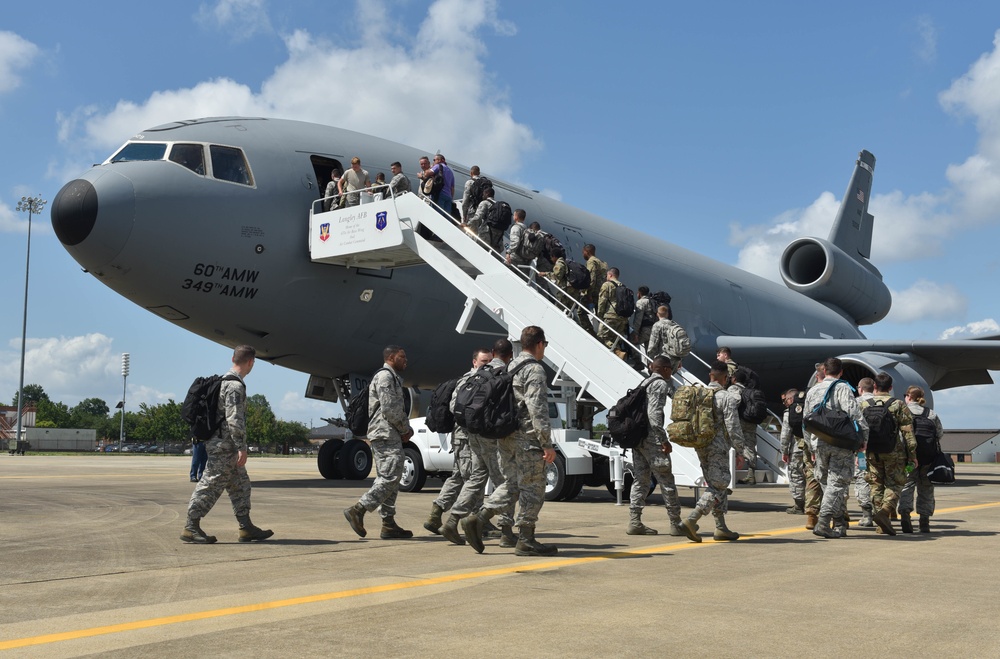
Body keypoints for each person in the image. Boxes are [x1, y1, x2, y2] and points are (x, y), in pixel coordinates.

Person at [462, 326, 558, 557]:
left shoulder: (511, 366)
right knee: (534, 488)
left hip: (506, 436)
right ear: (539, 344)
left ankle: (479, 517)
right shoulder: (534, 369)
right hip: (527, 438)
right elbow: (537, 408)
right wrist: (546, 442)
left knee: (512, 484)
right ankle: (526, 539)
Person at [181, 345, 272, 544]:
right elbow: (234, 419)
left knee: (240, 485)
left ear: (233, 358)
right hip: (224, 447)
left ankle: (246, 527)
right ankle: (191, 526)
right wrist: (242, 447)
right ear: (250, 363)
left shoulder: (224, 381)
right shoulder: (234, 386)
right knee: (210, 483)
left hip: (223, 445)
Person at [439, 342, 517, 547]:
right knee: (506, 481)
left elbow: (455, 405)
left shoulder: (476, 375)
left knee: (476, 477)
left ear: (493, 354)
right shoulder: (506, 373)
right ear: (511, 355)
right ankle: (506, 531)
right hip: (493, 437)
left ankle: (452, 520)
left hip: (472, 434)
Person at [344, 345, 415, 540]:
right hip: (385, 433)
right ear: (391, 357)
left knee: (389, 477)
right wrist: (405, 429)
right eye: (402, 356)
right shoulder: (385, 377)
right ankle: (358, 509)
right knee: (391, 477)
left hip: (388, 432)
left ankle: (388, 524)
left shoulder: (391, 377)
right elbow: (390, 409)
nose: (406, 360)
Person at [426, 347, 492, 543]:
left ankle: (435, 514)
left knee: (459, 476)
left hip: (467, 437)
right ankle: (470, 520)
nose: (486, 366)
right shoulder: (468, 382)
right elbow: (456, 408)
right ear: (474, 362)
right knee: (473, 477)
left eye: (489, 362)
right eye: (483, 362)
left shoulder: (482, 381)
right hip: (465, 437)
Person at [680, 361, 745, 543]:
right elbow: (733, 426)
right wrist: (741, 450)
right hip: (718, 446)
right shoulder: (726, 397)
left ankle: (720, 527)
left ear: (710, 376)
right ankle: (692, 519)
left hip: (700, 445)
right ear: (725, 378)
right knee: (720, 484)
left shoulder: (700, 394)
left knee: (715, 483)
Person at [803, 357, 868, 539]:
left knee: (828, 484)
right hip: (841, 442)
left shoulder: (813, 390)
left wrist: (811, 447)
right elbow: (854, 413)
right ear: (841, 372)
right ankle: (824, 522)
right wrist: (864, 437)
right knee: (837, 483)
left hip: (820, 442)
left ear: (824, 371)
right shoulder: (842, 387)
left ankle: (839, 523)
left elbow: (805, 423)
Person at [627, 356, 685, 536]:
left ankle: (634, 522)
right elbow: (653, 414)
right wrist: (663, 440)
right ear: (665, 369)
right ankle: (676, 524)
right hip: (652, 439)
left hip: (638, 439)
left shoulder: (644, 382)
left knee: (641, 480)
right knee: (666, 480)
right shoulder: (660, 384)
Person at [861, 372, 916, 536]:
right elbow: (908, 433)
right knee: (896, 483)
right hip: (893, 451)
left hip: (871, 452)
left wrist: (860, 455)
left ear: (875, 387)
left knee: (876, 485)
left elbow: (859, 431)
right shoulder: (898, 404)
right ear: (891, 388)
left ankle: (881, 525)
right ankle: (884, 513)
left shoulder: (864, 405)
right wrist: (912, 455)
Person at [899, 385, 943, 533]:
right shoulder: (931, 414)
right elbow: (939, 433)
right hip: (928, 459)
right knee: (926, 488)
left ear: (909, 397)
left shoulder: (903, 412)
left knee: (907, 485)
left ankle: (905, 514)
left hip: (908, 459)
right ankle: (924, 521)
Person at [729, 368, 760, 486]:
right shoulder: (749, 390)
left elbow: (735, 401)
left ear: (734, 379)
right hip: (751, 422)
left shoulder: (734, 388)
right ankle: (751, 474)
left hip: (740, 421)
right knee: (751, 446)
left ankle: (731, 472)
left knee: (734, 444)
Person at [854, 377, 876, 527]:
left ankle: (867, 516)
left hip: (861, 451)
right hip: (883, 450)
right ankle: (886, 511)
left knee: (862, 479)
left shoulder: (856, 403)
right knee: (881, 480)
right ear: (874, 388)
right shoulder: (886, 402)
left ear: (860, 389)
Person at [779, 388, 806, 514]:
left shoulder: (789, 412)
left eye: (785, 400)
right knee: (813, 477)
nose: (785, 403)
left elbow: (785, 434)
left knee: (796, 476)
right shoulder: (809, 408)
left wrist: (784, 451)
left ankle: (799, 505)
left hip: (796, 449)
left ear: (790, 399)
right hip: (812, 449)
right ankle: (814, 505)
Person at [646, 304, 691, 373]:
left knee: (660, 379)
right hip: (675, 359)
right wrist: (679, 360)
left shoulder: (657, 325)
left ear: (657, 314)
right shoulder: (674, 324)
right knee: (668, 378)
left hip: (662, 359)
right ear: (667, 314)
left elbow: (653, 345)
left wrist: (649, 361)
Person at [597, 267, 629, 352]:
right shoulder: (623, 286)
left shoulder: (607, 285)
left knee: (602, 337)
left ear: (610, 275)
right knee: (615, 340)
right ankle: (618, 353)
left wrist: (599, 315)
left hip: (610, 315)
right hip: (622, 318)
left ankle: (618, 353)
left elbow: (602, 301)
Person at [466, 185, 503, 252]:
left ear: (487, 194)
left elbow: (477, 218)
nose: (482, 196)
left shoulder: (484, 203)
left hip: (486, 233)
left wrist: (467, 224)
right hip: (497, 236)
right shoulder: (499, 205)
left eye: (483, 194)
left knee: (479, 252)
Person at [582, 244, 607, 313]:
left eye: (583, 252)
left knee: (580, 311)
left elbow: (591, 279)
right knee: (599, 315)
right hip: (601, 293)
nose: (583, 254)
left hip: (594, 293)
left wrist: (589, 295)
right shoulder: (603, 263)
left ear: (587, 252)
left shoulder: (591, 262)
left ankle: (587, 324)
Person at [630, 287, 656, 353]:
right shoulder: (653, 301)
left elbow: (638, 319)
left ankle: (637, 362)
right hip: (653, 330)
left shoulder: (640, 302)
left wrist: (635, 333)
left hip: (644, 330)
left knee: (629, 343)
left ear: (639, 293)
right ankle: (649, 363)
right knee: (649, 352)